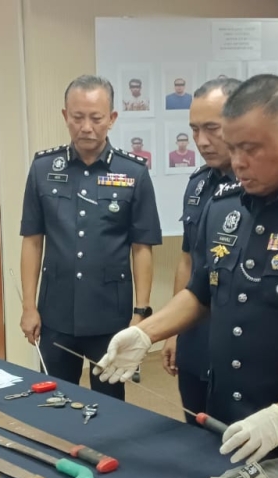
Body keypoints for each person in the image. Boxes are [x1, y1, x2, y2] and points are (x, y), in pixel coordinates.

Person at [94, 74, 278, 478]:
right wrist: (148, 332)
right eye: (233, 147)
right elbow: (201, 291)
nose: (237, 162)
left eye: (251, 149)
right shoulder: (223, 207)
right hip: (225, 418)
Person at [19, 75, 162, 402]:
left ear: (111, 119)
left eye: (96, 118)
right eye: (78, 117)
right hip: (55, 312)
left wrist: (140, 313)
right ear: (65, 116)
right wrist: (29, 306)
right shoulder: (43, 168)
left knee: (110, 403)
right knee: (53, 400)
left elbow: (142, 247)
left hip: (109, 314)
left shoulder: (134, 173)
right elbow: (32, 240)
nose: (86, 127)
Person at [162, 77, 241, 426]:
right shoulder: (198, 185)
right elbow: (188, 259)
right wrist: (175, 331)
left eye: (212, 128)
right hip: (196, 337)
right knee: (193, 432)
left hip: (238, 346)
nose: (201, 141)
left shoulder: (262, 188)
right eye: (194, 130)